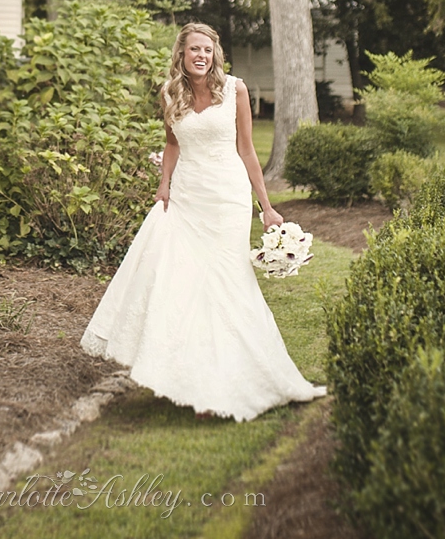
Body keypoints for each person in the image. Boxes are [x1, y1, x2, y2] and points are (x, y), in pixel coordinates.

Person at [80, 22, 326, 422]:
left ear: (215, 55)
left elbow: (247, 151)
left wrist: (267, 207)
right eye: (195, 49)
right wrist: (164, 185)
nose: (201, 56)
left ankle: (235, 378)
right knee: (184, 282)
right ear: (182, 54)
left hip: (226, 198)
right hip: (187, 197)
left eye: (207, 51)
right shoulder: (170, 93)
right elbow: (173, 142)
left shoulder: (235, 89)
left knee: (228, 282)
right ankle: (193, 378)